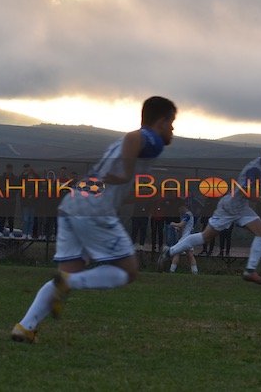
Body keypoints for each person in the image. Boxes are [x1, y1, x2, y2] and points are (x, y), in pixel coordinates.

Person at [11, 95, 177, 344]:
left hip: (73, 204)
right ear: (161, 121)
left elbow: (116, 185)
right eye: (172, 123)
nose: (173, 130)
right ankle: (69, 283)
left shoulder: (125, 145)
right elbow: (134, 140)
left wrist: (139, 195)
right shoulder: (151, 139)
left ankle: (25, 327)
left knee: (67, 274)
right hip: (94, 209)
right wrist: (127, 173)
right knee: (128, 271)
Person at [158, 139, 261, 285]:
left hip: (241, 207)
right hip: (229, 207)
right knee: (205, 237)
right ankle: (169, 252)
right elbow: (246, 192)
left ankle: (250, 271)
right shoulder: (255, 169)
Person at [167, 201, 198, 274]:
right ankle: (195, 271)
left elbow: (181, 224)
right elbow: (184, 227)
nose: (179, 211)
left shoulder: (187, 215)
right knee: (189, 255)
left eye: (179, 209)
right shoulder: (188, 215)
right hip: (187, 237)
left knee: (178, 253)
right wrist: (178, 229)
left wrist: (173, 224)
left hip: (185, 238)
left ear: (182, 207)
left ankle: (172, 270)